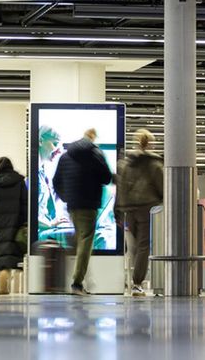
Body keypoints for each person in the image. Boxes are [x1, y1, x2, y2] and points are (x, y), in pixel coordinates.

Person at [53, 127, 113, 295]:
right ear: (93, 137)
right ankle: (77, 283)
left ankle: (79, 279)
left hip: (73, 205)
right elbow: (107, 177)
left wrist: (66, 197)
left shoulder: (65, 156)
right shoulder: (96, 154)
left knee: (80, 240)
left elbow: (56, 181)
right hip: (89, 205)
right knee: (85, 242)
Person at [115, 129, 164, 296]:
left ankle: (129, 280)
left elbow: (120, 187)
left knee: (133, 247)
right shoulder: (155, 164)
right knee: (144, 246)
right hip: (147, 209)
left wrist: (118, 210)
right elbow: (163, 187)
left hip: (129, 210)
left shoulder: (125, 163)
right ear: (150, 143)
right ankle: (137, 283)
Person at [0, 156, 29, 295]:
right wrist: (25, 222)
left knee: (2, 255)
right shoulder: (19, 181)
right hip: (15, 223)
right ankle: (13, 286)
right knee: (13, 255)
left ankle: (3, 284)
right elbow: (24, 203)